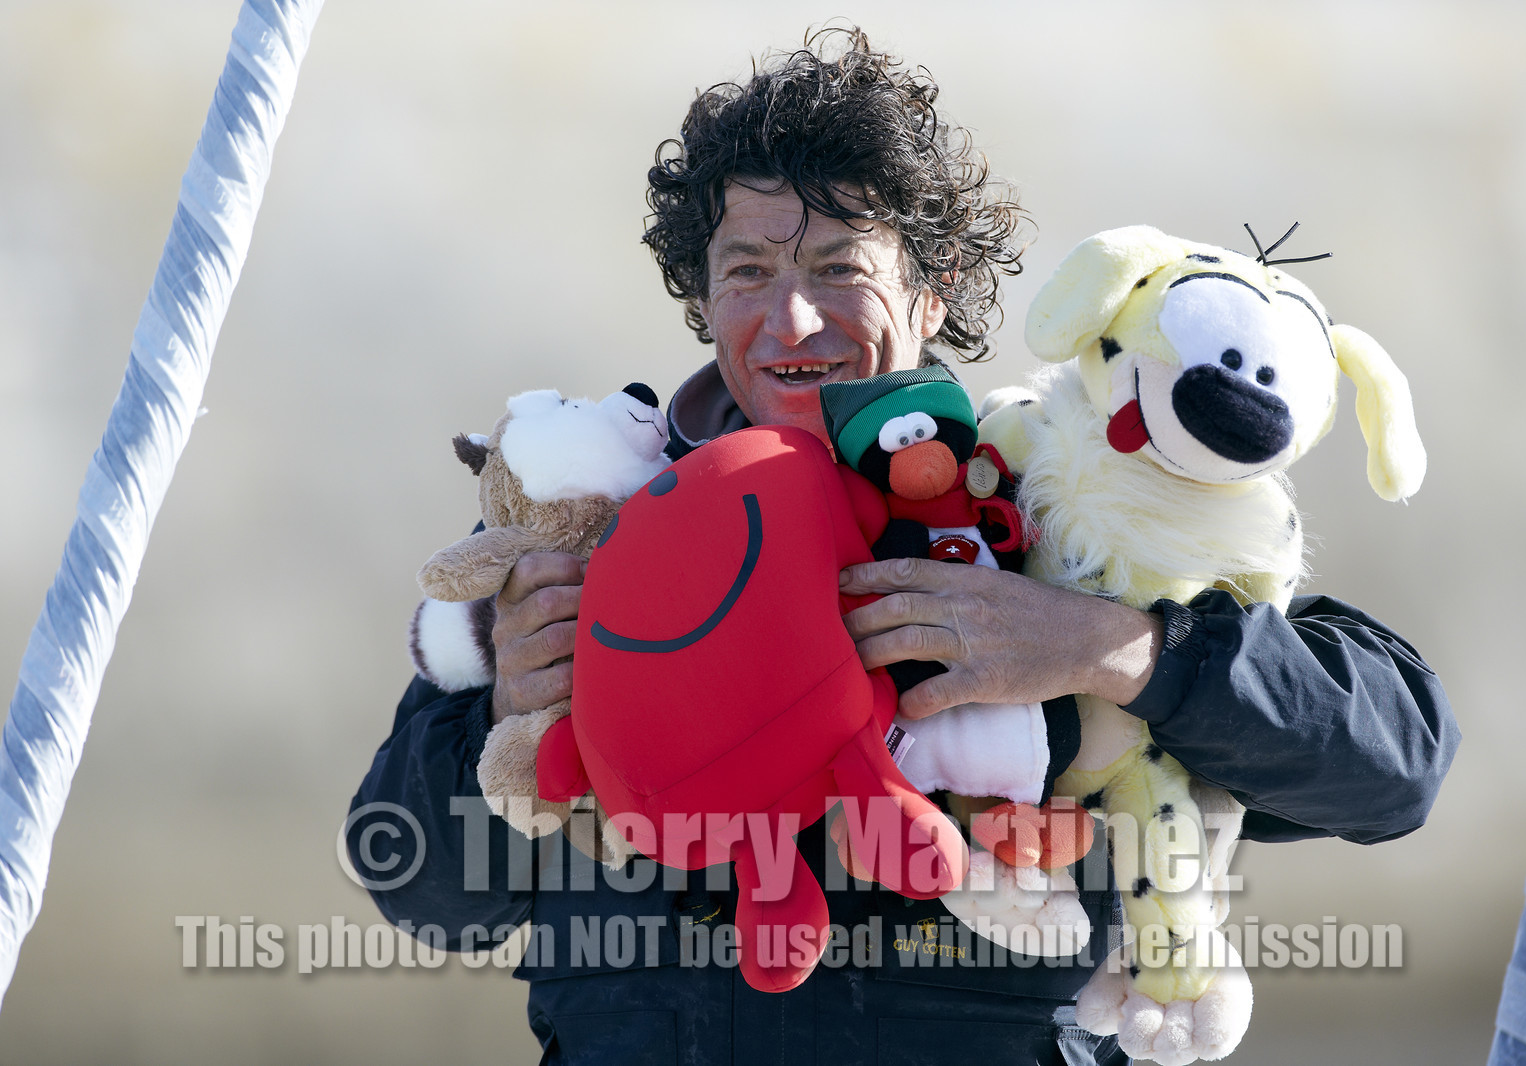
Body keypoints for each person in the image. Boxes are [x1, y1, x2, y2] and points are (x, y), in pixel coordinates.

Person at [348, 28, 1458, 1066]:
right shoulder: (588, 520)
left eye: (839, 267)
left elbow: (1395, 761)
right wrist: (501, 719)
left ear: (931, 297)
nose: (790, 321)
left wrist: (1117, 648)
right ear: (702, 300)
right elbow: (420, 888)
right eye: (746, 273)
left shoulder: (1058, 513)